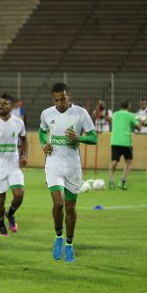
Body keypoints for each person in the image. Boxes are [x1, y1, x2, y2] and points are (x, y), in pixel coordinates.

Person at [40, 82, 97, 263]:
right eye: (56, 100)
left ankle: (69, 245)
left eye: (63, 99)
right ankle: (58, 237)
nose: (60, 103)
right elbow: (42, 132)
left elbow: (94, 138)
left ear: (69, 96)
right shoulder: (47, 114)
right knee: (58, 204)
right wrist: (44, 144)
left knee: (70, 208)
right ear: (53, 99)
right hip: (53, 165)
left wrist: (79, 138)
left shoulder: (81, 113)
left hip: (73, 167)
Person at [0, 93, 27, 236]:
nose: (1, 106)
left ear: (12, 105)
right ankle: (1, 225)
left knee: (19, 194)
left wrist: (24, 155)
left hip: (13, 164)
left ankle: (10, 213)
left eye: (5, 103)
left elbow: (24, 139)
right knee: (0, 199)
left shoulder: (18, 122)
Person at [109, 100, 141, 190]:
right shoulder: (131, 115)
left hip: (114, 141)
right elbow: (139, 128)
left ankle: (111, 182)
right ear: (128, 106)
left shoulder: (115, 114)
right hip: (126, 142)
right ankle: (122, 181)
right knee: (128, 162)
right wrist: (139, 120)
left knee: (114, 162)